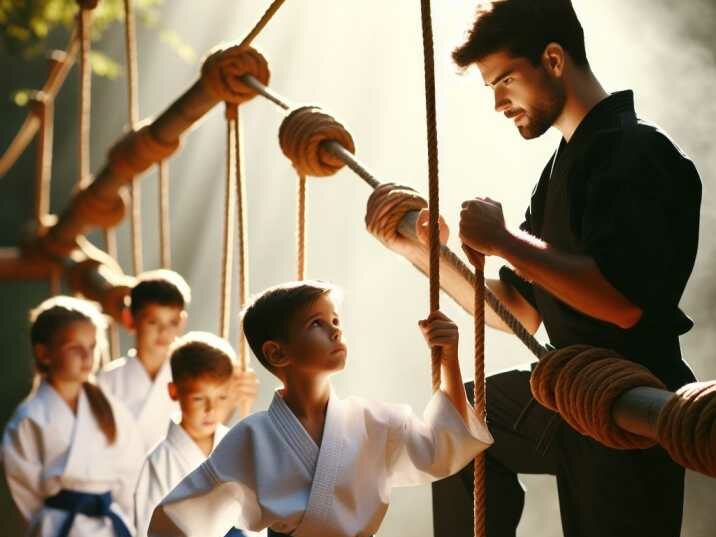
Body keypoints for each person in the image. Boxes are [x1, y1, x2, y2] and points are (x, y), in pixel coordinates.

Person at [368, 1, 702, 536]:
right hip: (565, 398)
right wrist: (422, 255)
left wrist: (504, 241)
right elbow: (518, 309)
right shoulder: (560, 166)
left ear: (552, 59)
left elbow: (622, 305)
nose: (499, 104)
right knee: (461, 422)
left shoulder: (639, 152)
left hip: (630, 406)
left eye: (505, 81)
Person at [147, 280, 493, 537]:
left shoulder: (372, 421)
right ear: (277, 353)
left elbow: (442, 449)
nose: (335, 332)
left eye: (336, 321)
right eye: (317, 323)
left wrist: (449, 359)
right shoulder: (252, 438)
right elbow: (177, 522)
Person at [2, 296, 145, 537]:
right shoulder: (31, 417)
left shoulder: (109, 407)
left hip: (109, 523)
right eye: (75, 348)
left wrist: (127, 514)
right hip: (57, 525)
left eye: (91, 347)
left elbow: (130, 469)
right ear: (44, 353)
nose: (87, 357)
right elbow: (22, 487)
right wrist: (45, 521)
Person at [134, 332, 258, 537]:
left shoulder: (236, 446)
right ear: (174, 392)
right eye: (199, 398)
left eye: (221, 397)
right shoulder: (159, 461)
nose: (211, 409)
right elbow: (147, 528)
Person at [97, 270, 191, 452]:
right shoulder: (105, 382)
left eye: (171, 322)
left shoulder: (191, 376)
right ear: (130, 319)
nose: (163, 332)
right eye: (153, 322)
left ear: (181, 323)